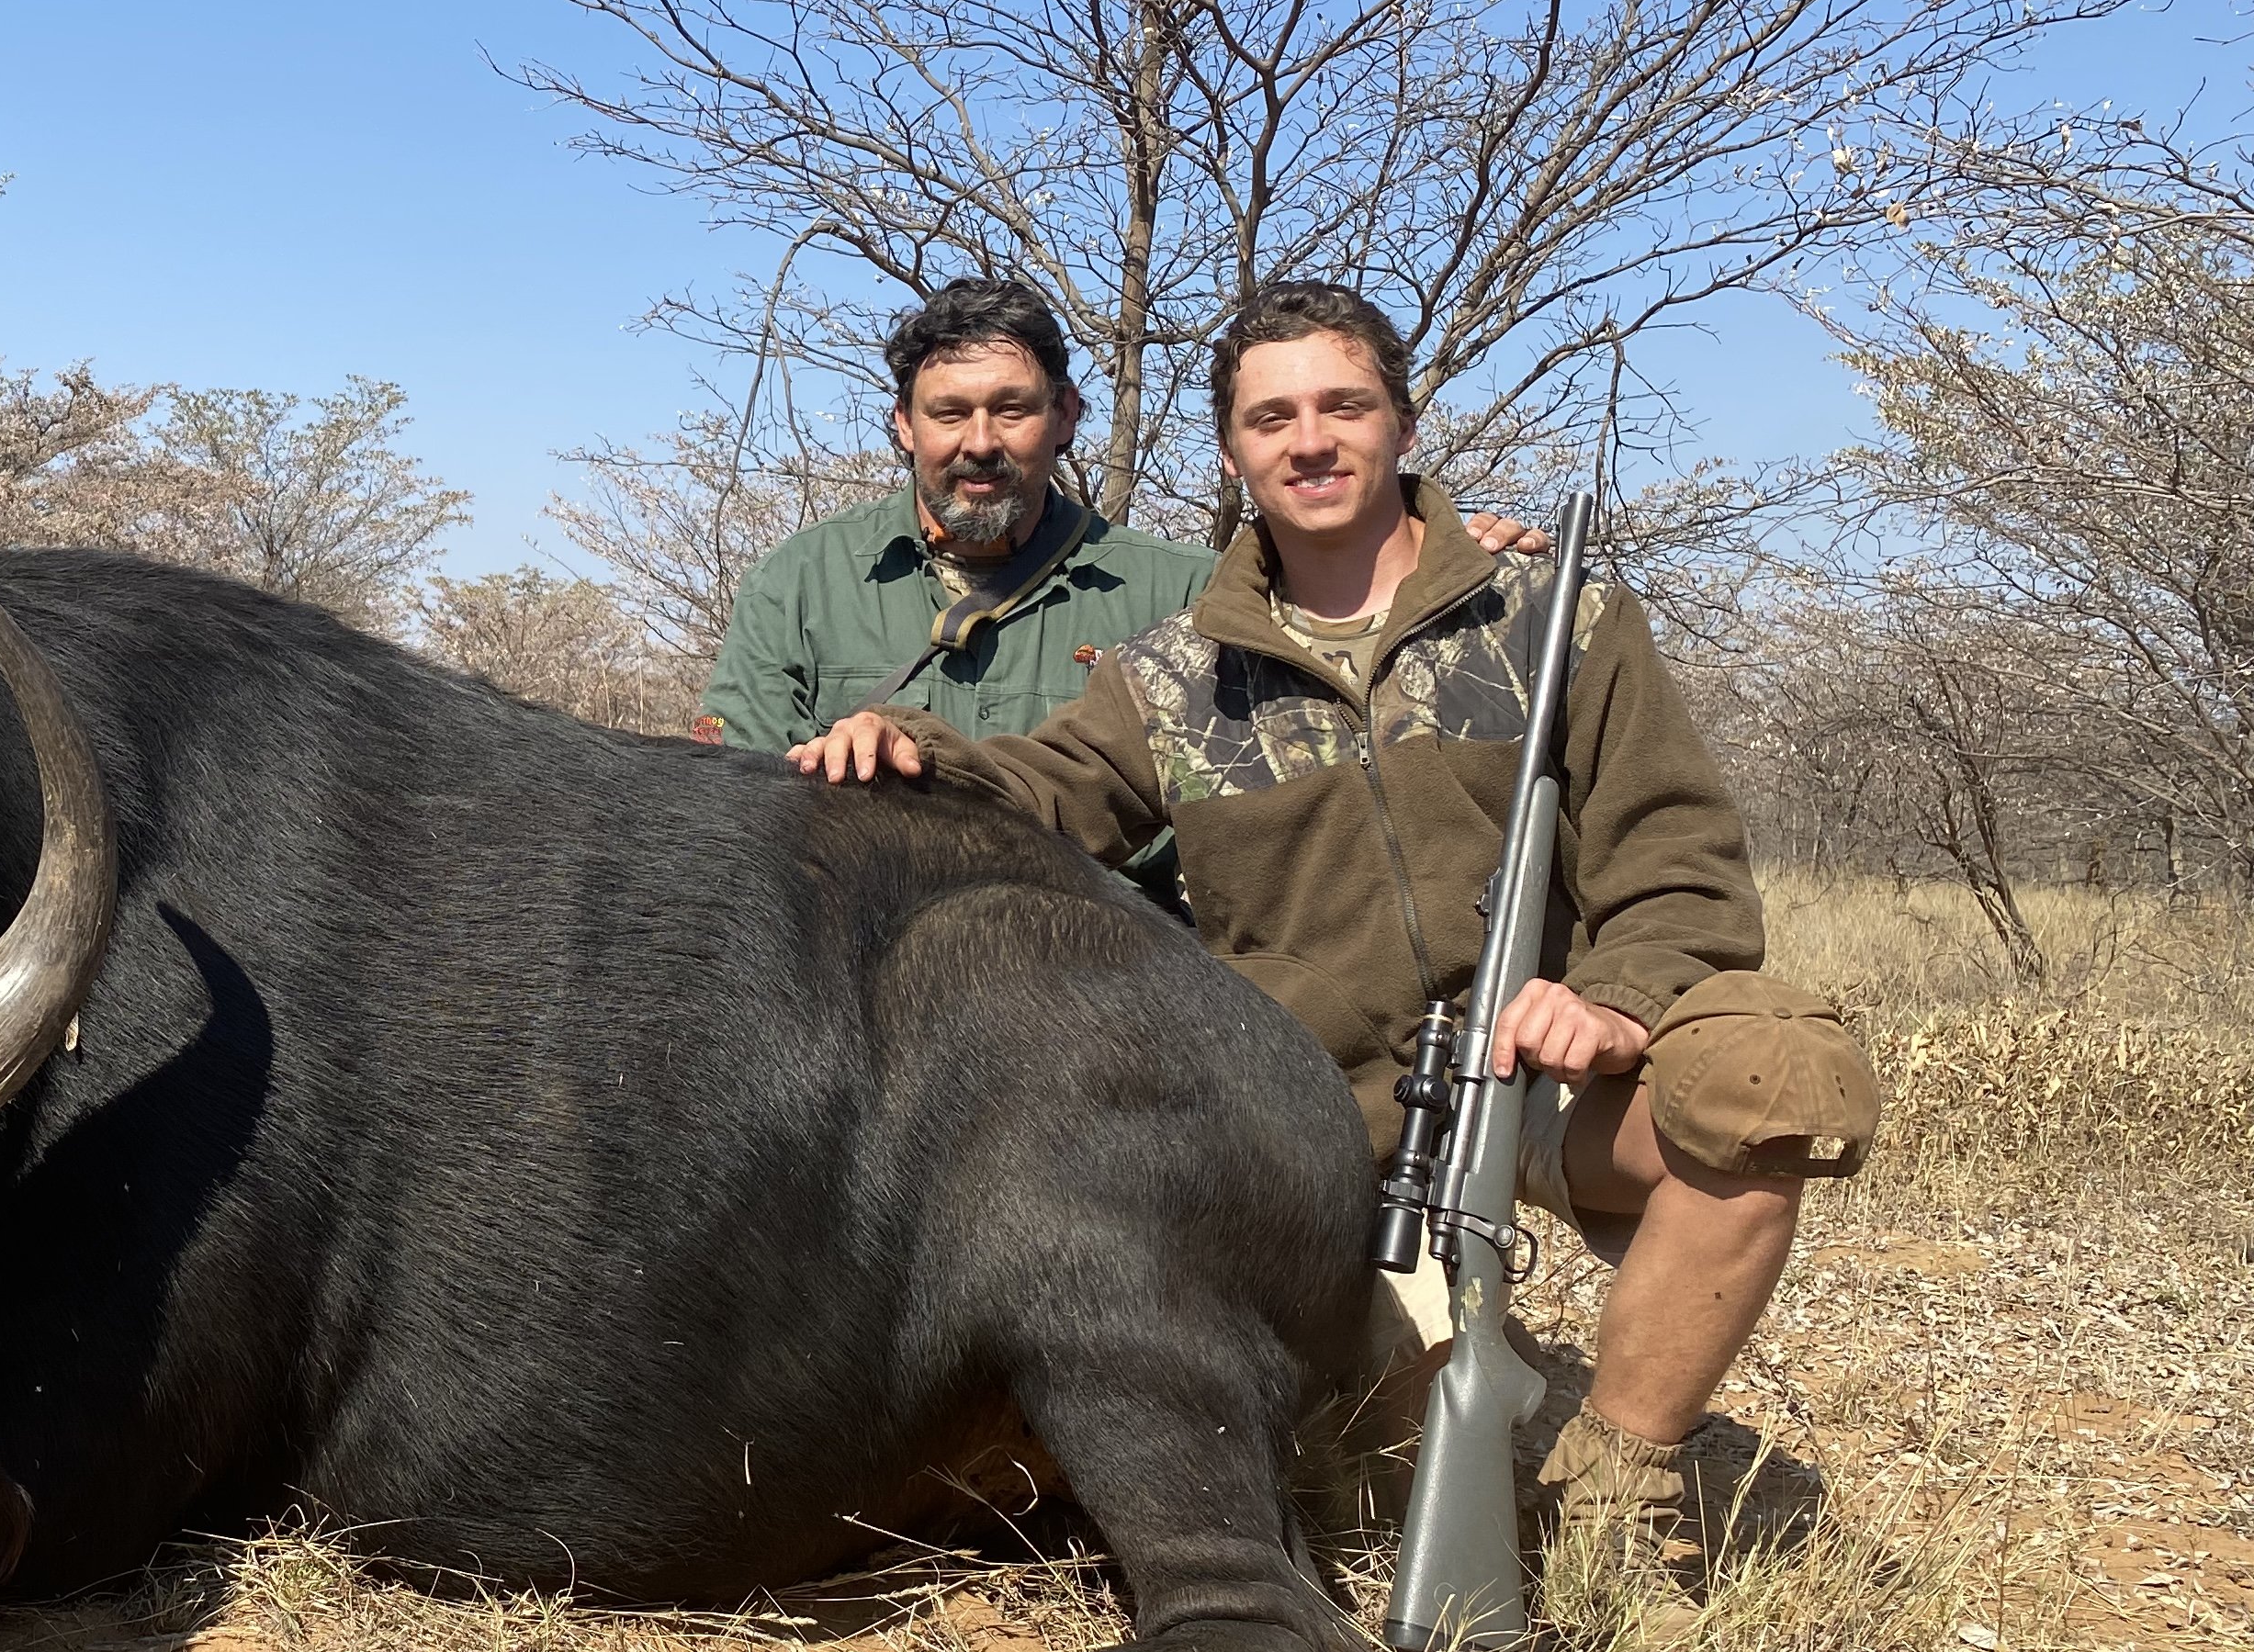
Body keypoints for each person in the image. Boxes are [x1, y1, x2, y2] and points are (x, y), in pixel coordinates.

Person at [792, 280, 1879, 1580]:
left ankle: (1626, 1486)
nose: (1310, 440)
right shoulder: (1174, 673)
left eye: (1342, 405)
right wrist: (901, 750)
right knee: (1369, 1497)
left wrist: (1615, 999)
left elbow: (1683, 864)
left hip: (1544, 1076)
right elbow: (1038, 796)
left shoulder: (1558, 616)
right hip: (1315, 1130)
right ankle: (1471, 1405)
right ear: (1235, 451)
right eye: (1272, 418)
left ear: (1402, 425)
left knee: (1770, 1080)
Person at [696, 281, 1214, 756]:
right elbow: (736, 802)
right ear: (904, 423)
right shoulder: (795, 585)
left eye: (1012, 410)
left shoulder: (1183, 594)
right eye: (950, 414)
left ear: (1065, 415)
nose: (981, 443)